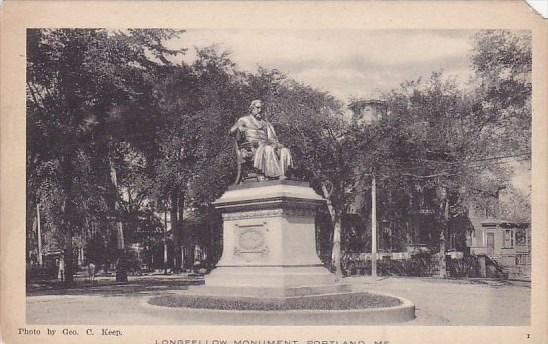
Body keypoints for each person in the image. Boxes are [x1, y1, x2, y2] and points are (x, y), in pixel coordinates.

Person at [229, 100, 293, 179]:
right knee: (268, 149)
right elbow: (231, 131)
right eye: (258, 108)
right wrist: (238, 127)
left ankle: (283, 174)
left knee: (284, 150)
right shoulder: (244, 120)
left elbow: (272, 138)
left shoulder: (265, 124)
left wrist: (276, 144)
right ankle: (276, 175)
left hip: (265, 145)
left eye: (261, 108)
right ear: (252, 109)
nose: (260, 110)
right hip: (251, 147)